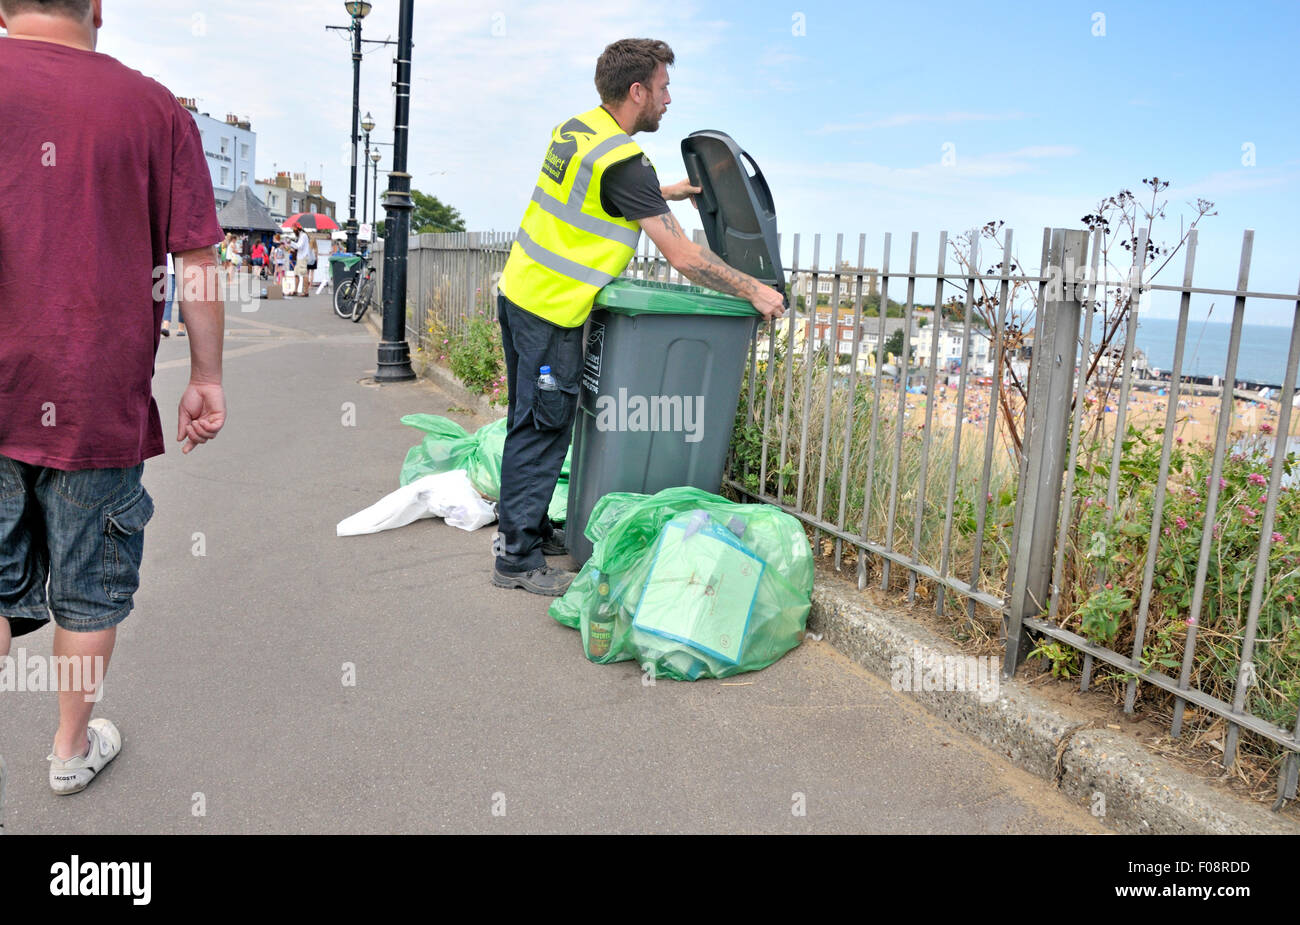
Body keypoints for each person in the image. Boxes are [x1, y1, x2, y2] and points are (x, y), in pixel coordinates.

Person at [0, 0, 226, 815]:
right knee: (89, 592)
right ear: (96, 7)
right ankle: (68, 750)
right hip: (97, 397)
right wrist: (206, 373)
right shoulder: (153, 107)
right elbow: (195, 258)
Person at [491, 38, 784, 596]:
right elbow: (684, 256)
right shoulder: (624, 163)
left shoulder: (578, 130)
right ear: (637, 91)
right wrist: (755, 291)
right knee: (544, 425)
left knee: (526, 417)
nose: (669, 99)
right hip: (552, 310)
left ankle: (519, 526)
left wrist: (661, 190)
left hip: (519, 292)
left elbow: (593, 191)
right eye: (664, 87)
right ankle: (516, 558)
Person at [292, 224, 312, 296]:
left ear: (297, 229)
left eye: (294, 230)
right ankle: (295, 290)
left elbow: (299, 246)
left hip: (303, 257)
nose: (293, 231)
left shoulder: (303, 236)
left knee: (304, 274)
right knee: (296, 273)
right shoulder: (300, 236)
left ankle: (306, 292)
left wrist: (290, 242)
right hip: (300, 257)